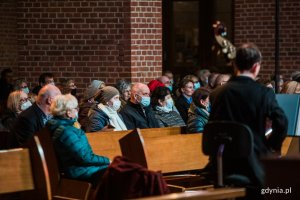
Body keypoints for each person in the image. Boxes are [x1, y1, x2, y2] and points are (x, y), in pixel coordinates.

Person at [208, 43, 288, 189]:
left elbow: (213, 128)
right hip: (254, 165)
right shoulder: (263, 93)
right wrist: (270, 146)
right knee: (286, 188)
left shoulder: (217, 94)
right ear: (255, 67)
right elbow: (281, 123)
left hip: (222, 166)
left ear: (234, 65)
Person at [47, 94, 110, 186]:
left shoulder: (61, 127)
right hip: (80, 172)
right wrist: (108, 160)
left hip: (82, 169)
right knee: (118, 171)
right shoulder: (66, 132)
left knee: (120, 169)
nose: (77, 110)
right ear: (68, 113)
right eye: (75, 108)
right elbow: (85, 158)